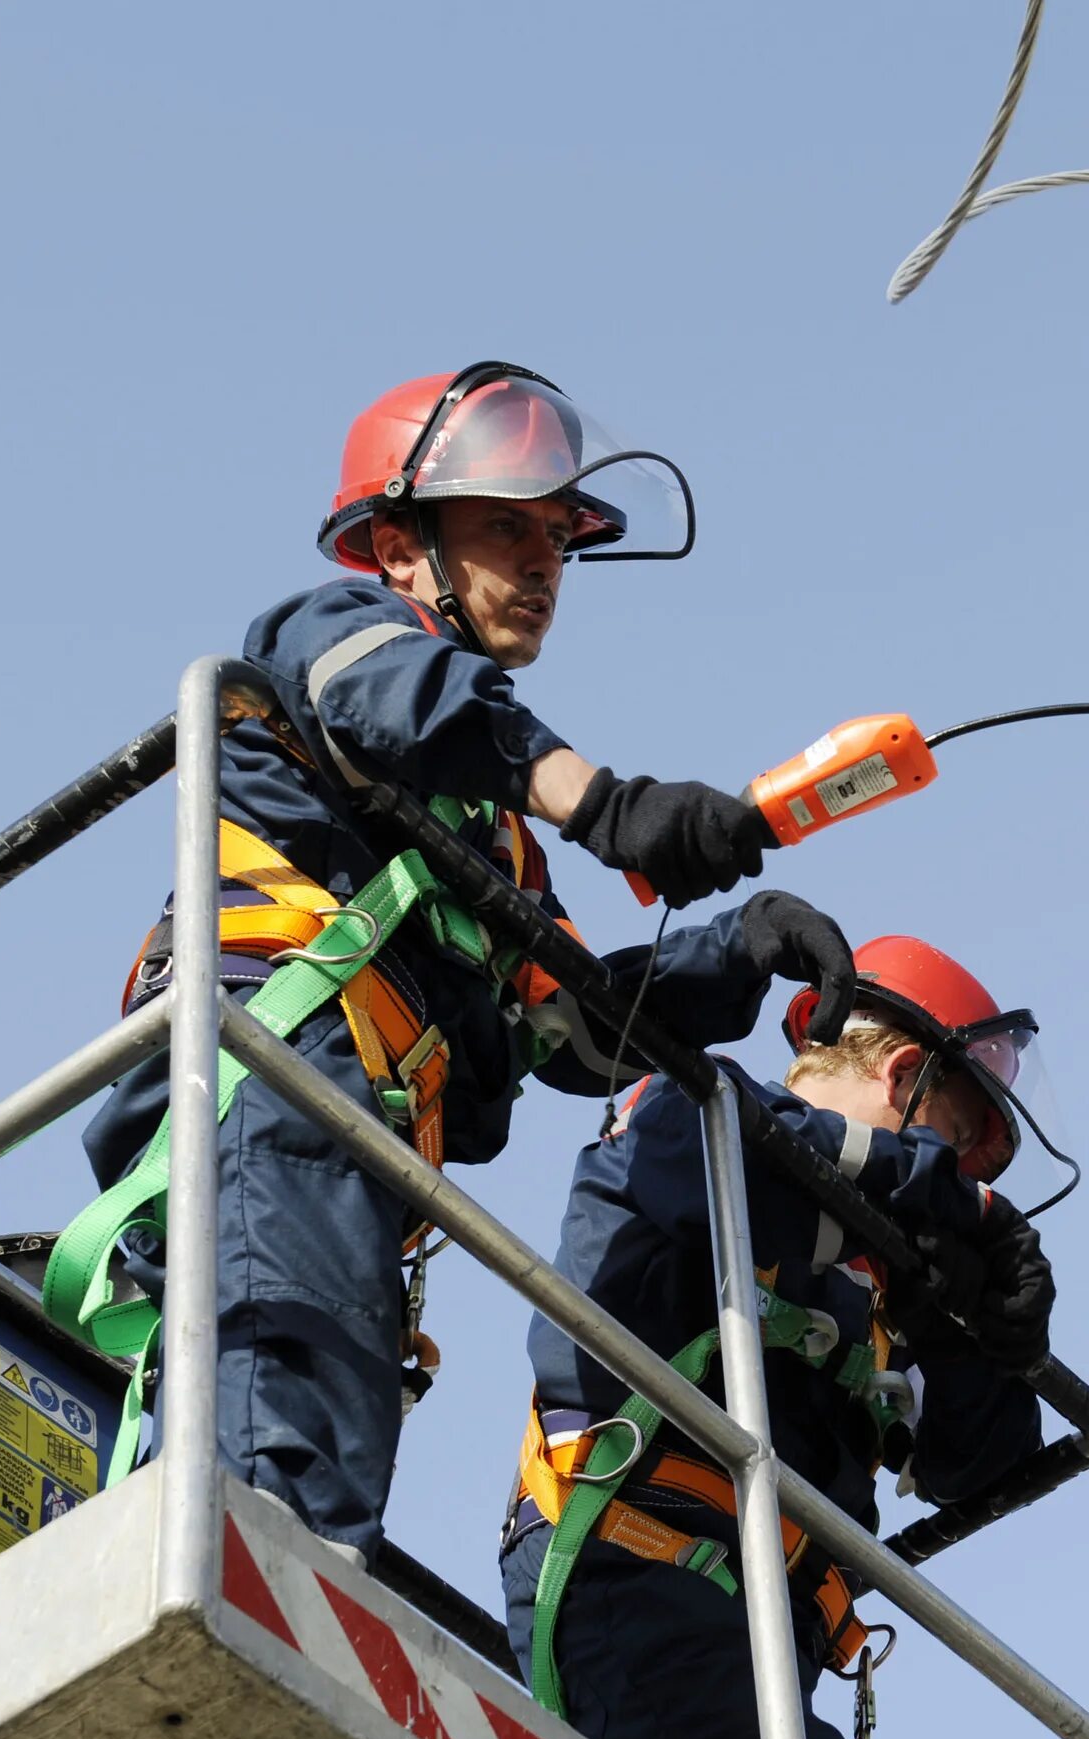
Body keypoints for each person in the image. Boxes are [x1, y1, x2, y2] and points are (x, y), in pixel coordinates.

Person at [56, 362, 860, 1560]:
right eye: (504, 529)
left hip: (347, 1151)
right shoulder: (330, 637)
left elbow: (583, 1028)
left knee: (318, 1489)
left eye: (556, 541)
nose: (542, 564)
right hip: (270, 1089)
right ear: (393, 544)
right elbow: (410, 699)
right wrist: (610, 804)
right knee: (282, 1493)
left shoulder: (489, 840)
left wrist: (736, 954)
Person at [502, 937, 1057, 1739]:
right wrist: (940, 1197)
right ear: (900, 1075)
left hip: (744, 1623)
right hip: (633, 1573)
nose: (958, 1174)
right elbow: (711, 1174)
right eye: (956, 1136)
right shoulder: (699, 1106)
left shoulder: (870, 1285)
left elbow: (980, 1460)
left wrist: (989, 1330)